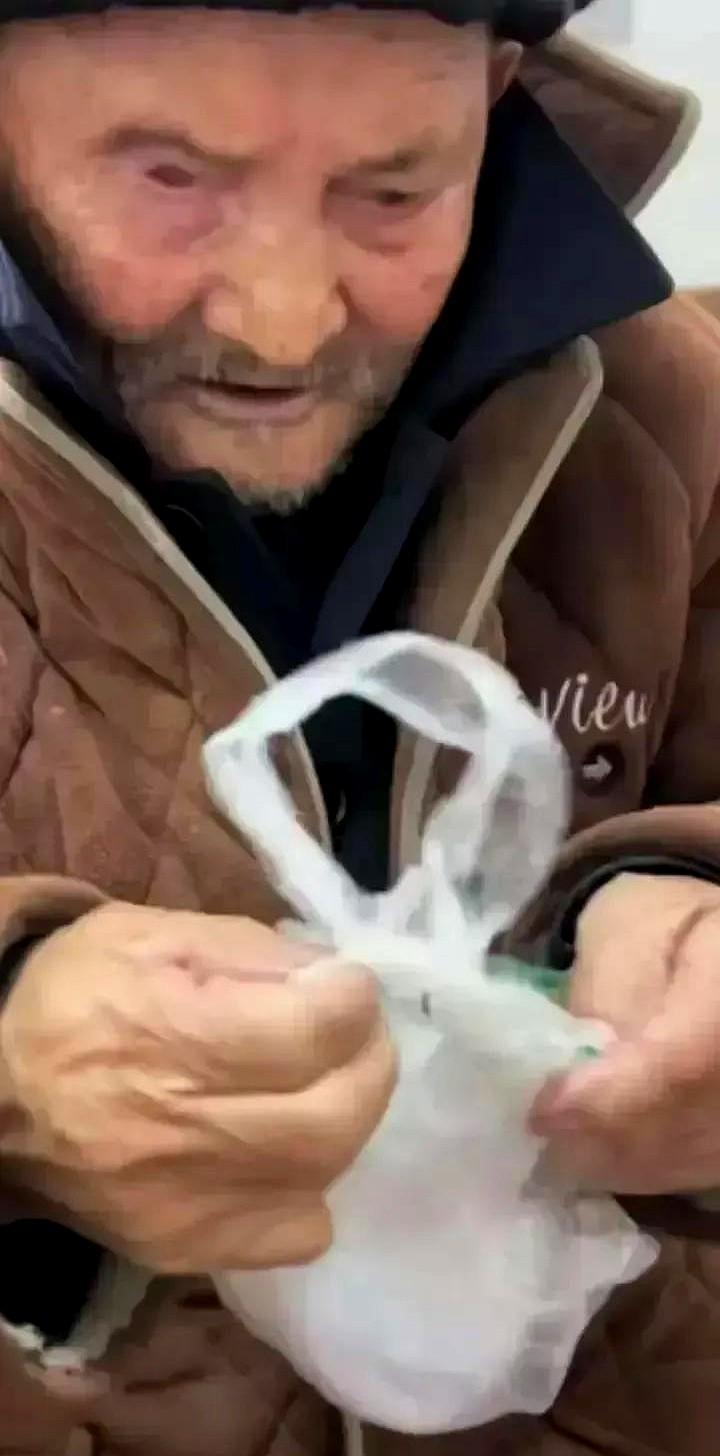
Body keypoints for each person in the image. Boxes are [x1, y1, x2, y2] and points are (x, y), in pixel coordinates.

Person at [0, 0, 719, 1451]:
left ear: (498, 97)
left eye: (394, 193)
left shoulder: (673, 417)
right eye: (170, 180)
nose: (285, 319)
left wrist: (678, 895)